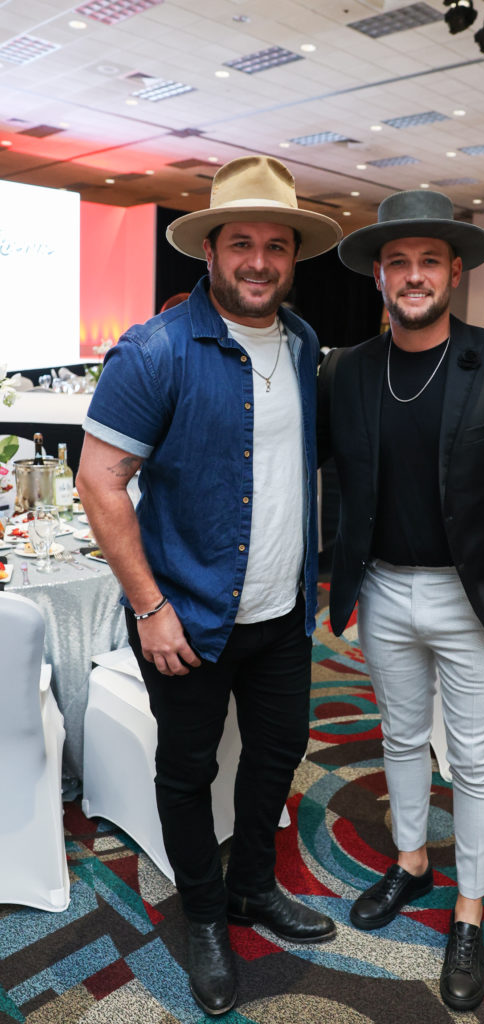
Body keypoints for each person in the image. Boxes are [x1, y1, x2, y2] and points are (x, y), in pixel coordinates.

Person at [77, 155, 343, 1017]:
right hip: (184, 615)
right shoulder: (155, 349)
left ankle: (253, 887)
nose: (259, 262)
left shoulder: (301, 343)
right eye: (241, 244)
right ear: (210, 251)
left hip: (282, 614)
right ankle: (202, 916)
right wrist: (149, 608)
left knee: (277, 753)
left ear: (292, 256)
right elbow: (98, 480)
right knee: (188, 771)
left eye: (276, 245)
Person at [317, 189, 484, 1013]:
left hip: (476, 599)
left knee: (471, 761)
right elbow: (325, 473)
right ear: (378, 276)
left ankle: (468, 908)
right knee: (399, 739)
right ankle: (410, 863)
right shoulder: (346, 370)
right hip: (381, 589)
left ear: (454, 272)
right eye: (397, 262)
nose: (412, 275)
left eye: (428, 260)